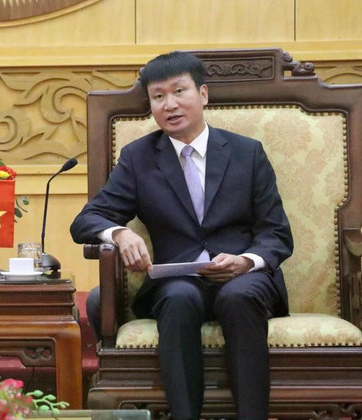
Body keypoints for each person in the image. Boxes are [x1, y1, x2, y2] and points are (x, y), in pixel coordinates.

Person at [70, 51, 293, 419]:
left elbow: (276, 233)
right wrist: (120, 234)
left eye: (179, 91)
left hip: (243, 277)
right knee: (177, 299)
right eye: (158, 97)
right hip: (179, 280)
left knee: (239, 297)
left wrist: (245, 261)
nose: (169, 104)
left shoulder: (246, 153)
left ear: (202, 94)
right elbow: (86, 220)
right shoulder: (139, 158)